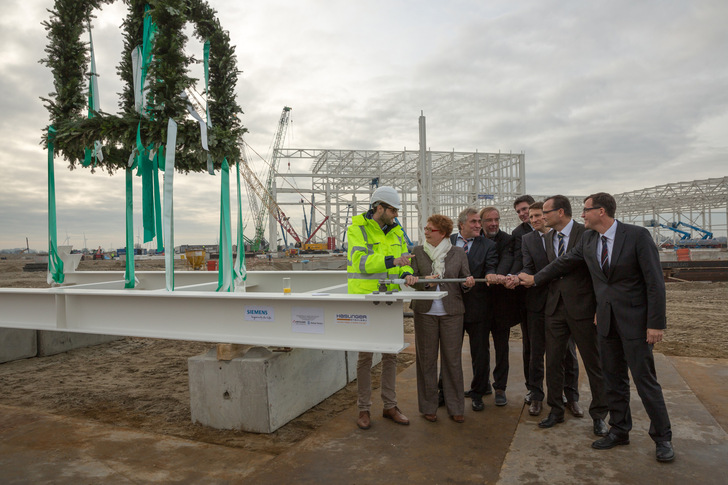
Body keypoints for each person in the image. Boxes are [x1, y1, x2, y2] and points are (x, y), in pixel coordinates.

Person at [519, 193, 674, 462]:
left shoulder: (636, 236)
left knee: (644, 380)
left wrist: (655, 323)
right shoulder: (589, 239)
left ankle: (662, 438)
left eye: (586, 210)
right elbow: (562, 263)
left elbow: (654, 282)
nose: (582, 215)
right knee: (614, 379)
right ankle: (619, 429)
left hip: (635, 323)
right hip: (605, 321)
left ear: (601, 211)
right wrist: (535, 278)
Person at [526, 195, 608, 437]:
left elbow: (591, 271)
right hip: (555, 309)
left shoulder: (587, 234)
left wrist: (597, 308)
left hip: (583, 308)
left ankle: (599, 416)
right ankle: (556, 410)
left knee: (594, 364)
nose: (542, 217)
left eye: (546, 212)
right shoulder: (549, 237)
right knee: (553, 362)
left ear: (560, 213)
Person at [347, 186, 415, 430]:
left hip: (389, 299)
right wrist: (392, 261)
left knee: (390, 354)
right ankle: (364, 409)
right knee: (365, 357)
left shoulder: (396, 232)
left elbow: (403, 259)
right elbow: (361, 262)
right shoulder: (357, 229)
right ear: (379, 208)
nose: (395, 214)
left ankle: (390, 405)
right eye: (392, 209)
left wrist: (407, 272)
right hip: (365, 300)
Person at [410, 214, 475, 423]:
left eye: (431, 229)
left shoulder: (457, 252)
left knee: (452, 361)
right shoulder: (418, 251)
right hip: (425, 313)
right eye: (426, 229)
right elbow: (411, 279)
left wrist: (468, 283)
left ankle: (456, 407)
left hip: (452, 313)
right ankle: (428, 406)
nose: (426, 232)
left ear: (443, 233)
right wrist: (423, 282)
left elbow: (465, 278)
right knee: (426, 361)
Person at [520, 201, 580, 417]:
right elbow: (527, 267)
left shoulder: (565, 236)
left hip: (564, 303)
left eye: (539, 215)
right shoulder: (527, 240)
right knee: (536, 352)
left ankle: (570, 396)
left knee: (567, 353)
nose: (535, 219)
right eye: (532, 216)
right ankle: (536, 395)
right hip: (537, 302)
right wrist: (518, 277)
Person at [450, 207, 498, 412]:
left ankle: (478, 392)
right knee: (450, 352)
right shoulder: (448, 241)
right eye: (474, 222)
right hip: (451, 305)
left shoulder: (488, 245)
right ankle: (446, 392)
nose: (479, 225)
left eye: (479, 221)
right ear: (461, 225)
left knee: (480, 352)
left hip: (478, 307)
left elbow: (490, 267)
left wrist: (491, 275)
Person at [480, 206, 517, 406]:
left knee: (501, 347)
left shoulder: (507, 239)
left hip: (501, 304)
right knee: (480, 347)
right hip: (480, 303)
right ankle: (483, 383)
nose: (493, 223)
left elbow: (508, 259)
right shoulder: (476, 239)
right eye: (489, 220)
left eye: (496, 219)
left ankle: (500, 387)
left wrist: (496, 276)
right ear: (482, 221)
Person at [510, 195, 535, 404]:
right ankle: (533, 390)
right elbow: (519, 261)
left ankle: (567, 393)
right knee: (530, 345)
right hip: (530, 296)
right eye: (518, 211)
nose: (522, 214)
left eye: (525, 209)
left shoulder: (554, 228)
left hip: (559, 298)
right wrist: (512, 276)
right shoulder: (519, 233)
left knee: (564, 348)